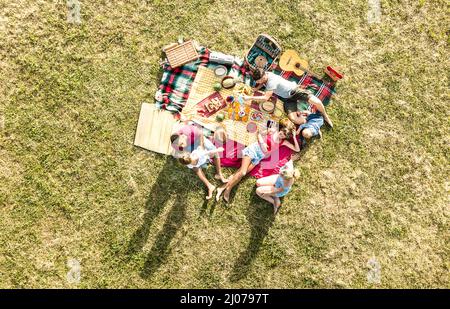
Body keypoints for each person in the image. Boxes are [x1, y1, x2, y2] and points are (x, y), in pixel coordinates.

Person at [216, 123, 300, 203]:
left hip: (259, 157)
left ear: (286, 137)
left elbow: (297, 149)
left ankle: (222, 188)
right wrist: (263, 143)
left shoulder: (283, 142)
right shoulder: (273, 131)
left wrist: (294, 137)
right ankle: (228, 189)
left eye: (285, 135)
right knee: (243, 172)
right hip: (254, 149)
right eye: (283, 131)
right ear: (281, 129)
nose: (282, 134)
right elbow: (259, 133)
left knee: (240, 172)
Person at [243, 68, 333, 129]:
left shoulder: (271, 81)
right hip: (287, 98)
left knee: (317, 102)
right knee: (293, 119)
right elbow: (263, 83)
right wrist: (256, 88)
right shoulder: (266, 75)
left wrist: (249, 98)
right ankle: (313, 122)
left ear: (264, 76)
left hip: (295, 91)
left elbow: (266, 97)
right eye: (257, 81)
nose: (258, 82)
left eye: (258, 80)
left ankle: (325, 116)